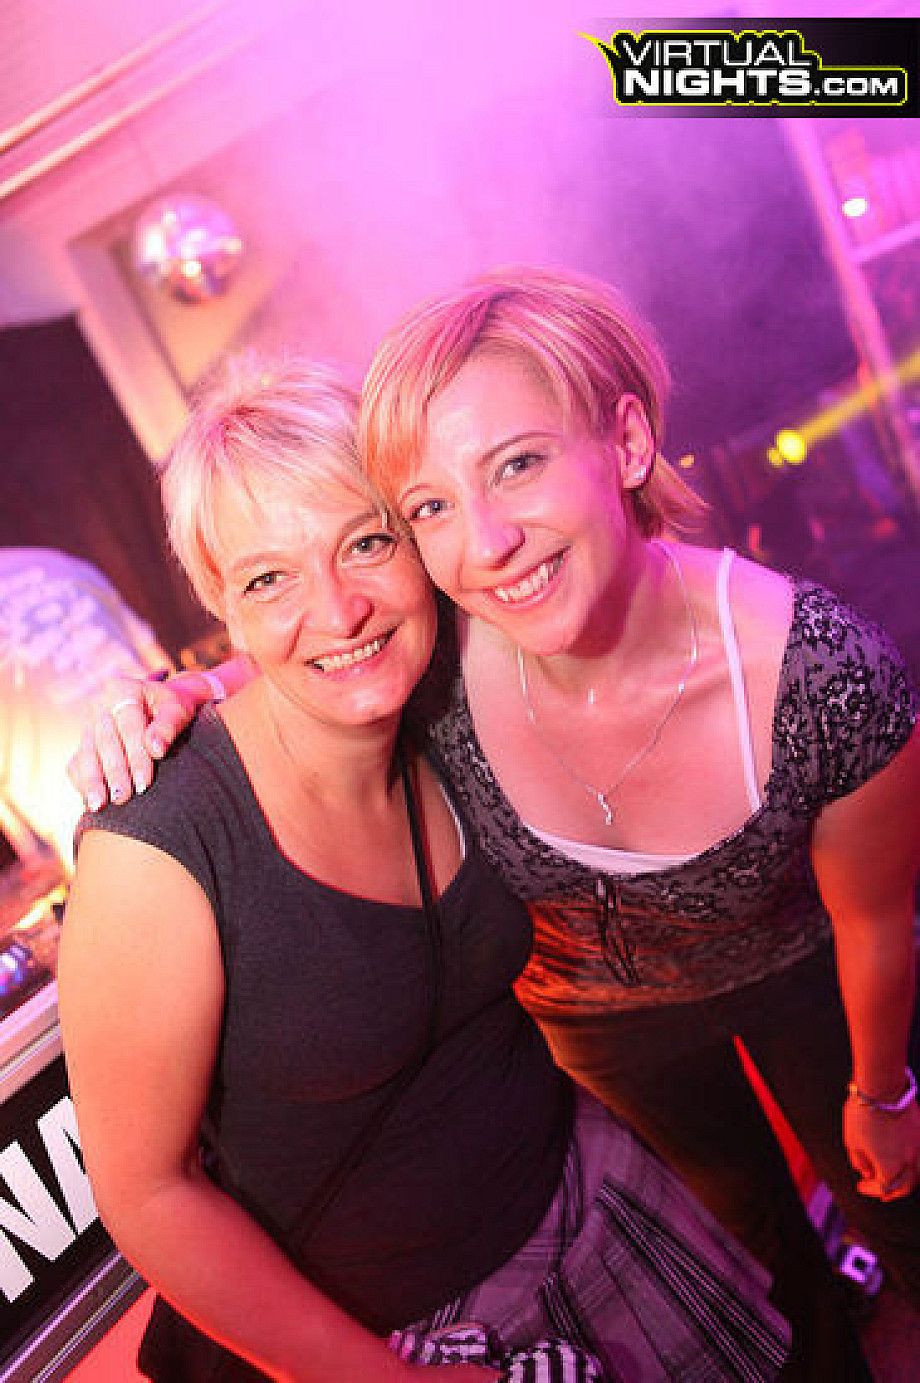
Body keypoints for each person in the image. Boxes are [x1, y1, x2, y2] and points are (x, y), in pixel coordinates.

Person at [70, 269, 920, 1378]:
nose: (339, 606)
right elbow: (145, 1189)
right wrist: (174, 695)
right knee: (778, 1271)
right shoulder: (215, 806)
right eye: (269, 578)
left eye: (368, 542)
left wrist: (882, 1086)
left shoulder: (472, 686)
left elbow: (876, 912)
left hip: (650, 1130)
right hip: (496, 1192)